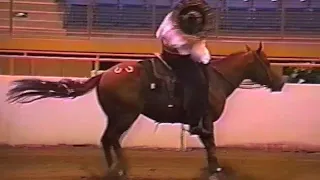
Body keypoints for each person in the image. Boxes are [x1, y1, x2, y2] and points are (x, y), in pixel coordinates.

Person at [155, 0, 212, 136]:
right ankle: (194, 122)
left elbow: (158, 34)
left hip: (168, 53)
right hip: (178, 59)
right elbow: (199, 54)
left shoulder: (171, 17)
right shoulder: (186, 34)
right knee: (199, 83)